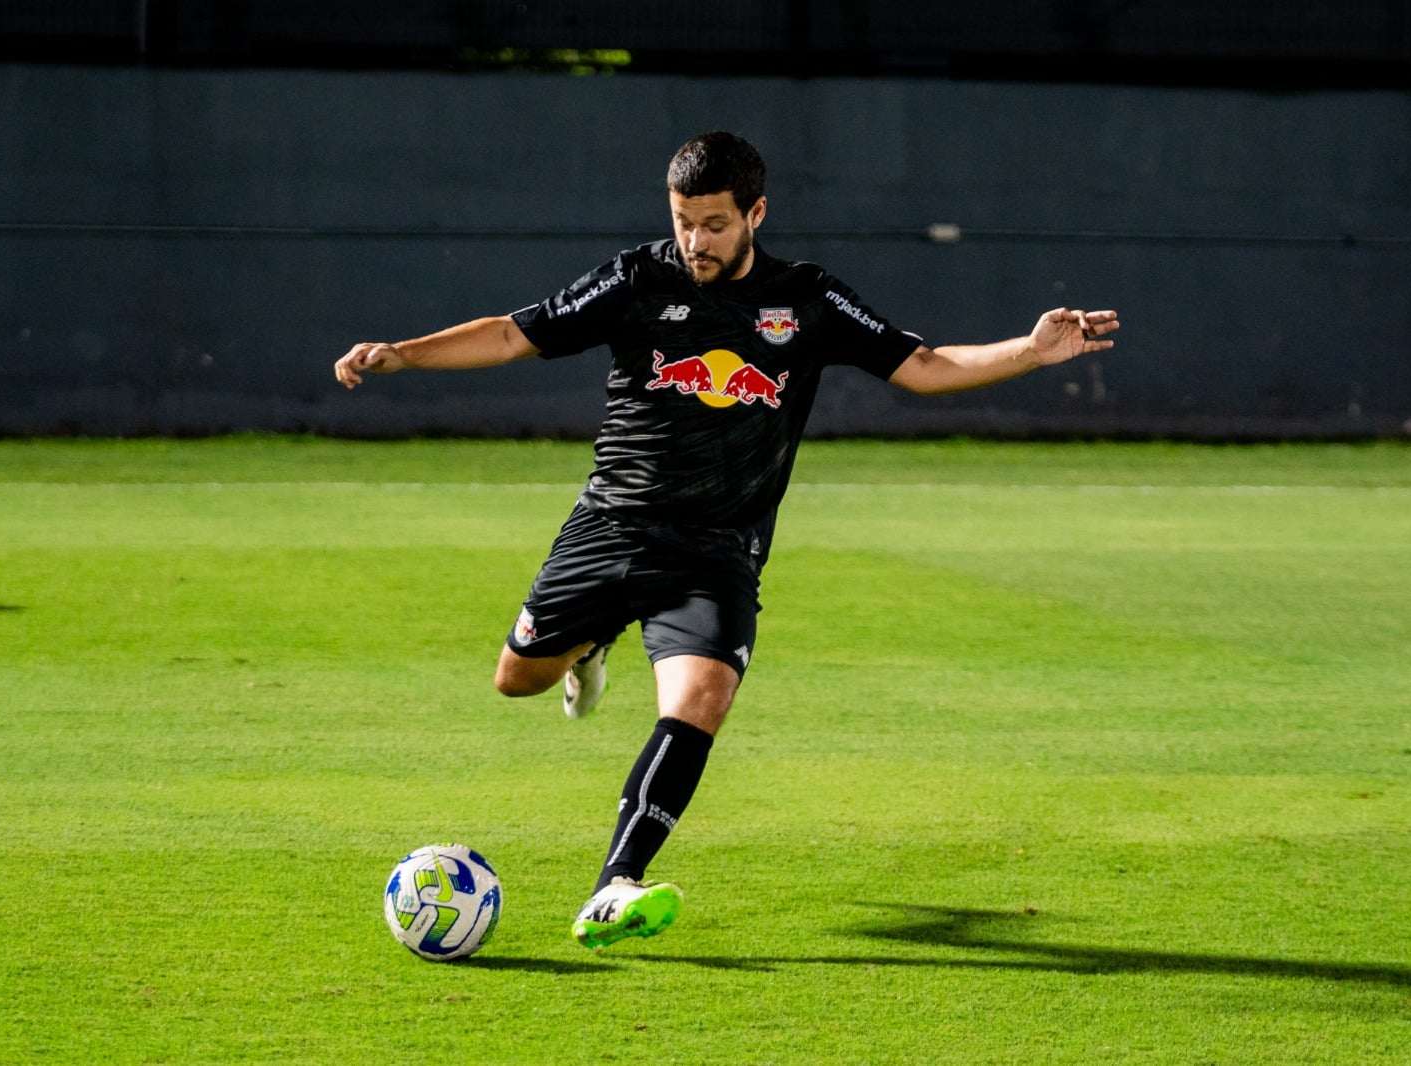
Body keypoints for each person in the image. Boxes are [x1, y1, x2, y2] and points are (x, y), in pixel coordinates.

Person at [335, 130, 1118, 951]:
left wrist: (1029, 351)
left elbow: (923, 365)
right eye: (683, 221)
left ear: (756, 214)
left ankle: (615, 884)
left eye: (713, 224)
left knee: (702, 699)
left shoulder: (806, 299)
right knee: (517, 681)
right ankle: (592, 641)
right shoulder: (635, 280)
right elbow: (510, 333)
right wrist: (402, 355)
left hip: (716, 550)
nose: (694, 241)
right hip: (610, 527)